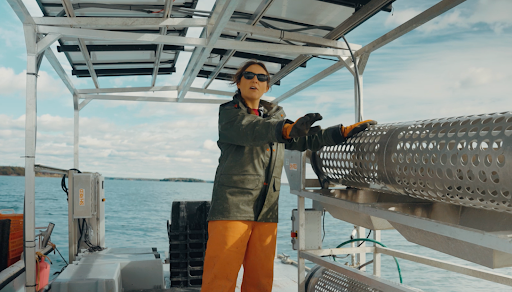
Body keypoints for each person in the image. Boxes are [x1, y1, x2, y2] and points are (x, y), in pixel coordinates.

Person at [201, 60, 376, 292]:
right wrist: (285, 129)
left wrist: (341, 132)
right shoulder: (229, 114)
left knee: (261, 279)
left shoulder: (276, 116)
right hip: (232, 207)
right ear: (238, 82)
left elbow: (305, 140)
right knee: (220, 277)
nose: (256, 80)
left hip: (267, 208)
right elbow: (253, 130)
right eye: (249, 75)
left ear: (267, 87)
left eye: (262, 78)